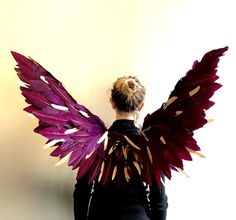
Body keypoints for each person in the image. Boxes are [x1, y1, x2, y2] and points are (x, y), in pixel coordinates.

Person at [73, 76, 168, 220]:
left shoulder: (95, 142)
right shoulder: (150, 145)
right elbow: (158, 197)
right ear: (140, 106)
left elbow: (82, 191)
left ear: (112, 102)